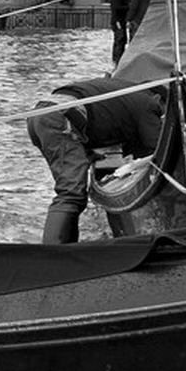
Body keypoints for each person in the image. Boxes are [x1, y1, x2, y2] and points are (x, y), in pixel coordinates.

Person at [26, 77, 163, 245]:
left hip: (39, 114)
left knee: (71, 191)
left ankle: (68, 249)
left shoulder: (125, 93)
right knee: (71, 194)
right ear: (161, 100)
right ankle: (53, 256)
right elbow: (157, 151)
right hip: (60, 117)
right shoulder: (149, 103)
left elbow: (101, 122)